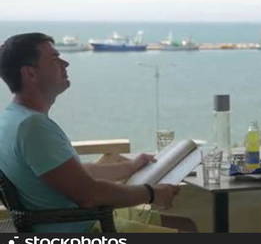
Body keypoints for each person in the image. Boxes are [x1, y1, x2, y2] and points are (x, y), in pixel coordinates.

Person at [0, 33, 181, 233]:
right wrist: (152, 194)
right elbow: (90, 195)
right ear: (30, 74)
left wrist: (132, 166)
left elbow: (74, 175)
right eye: (54, 59)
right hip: (79, 230)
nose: (65, 63)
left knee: (184, 224)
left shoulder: (11, 119)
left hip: (75, 221)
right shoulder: (32, 127)